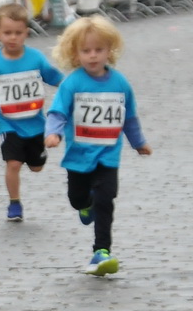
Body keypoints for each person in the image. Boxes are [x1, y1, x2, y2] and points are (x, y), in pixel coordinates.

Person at [44, 14, 151, 276]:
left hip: (107, 156)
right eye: (86, 50)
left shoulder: (120, 84)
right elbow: (58, 112)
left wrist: (138, 143)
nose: (93, 56)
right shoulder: (72, 83)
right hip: (78, 157)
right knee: (77, 199)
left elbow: (129, 117)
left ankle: (101, 251)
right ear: (75, 53)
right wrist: (54, 134)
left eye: (98, 50)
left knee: (106, 200)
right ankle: (85, 204)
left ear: (109, 50)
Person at [0, 2, 62, 221]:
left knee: (37, 167)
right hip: (7, 122)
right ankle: (14, 203)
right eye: (7, 33)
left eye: (18, 33)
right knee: (13, 163)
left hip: (35, 123)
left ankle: (34, 159)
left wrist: (74, 89)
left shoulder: (36, 58)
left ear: (26, 33)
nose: (13, 38)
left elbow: (56, 78)